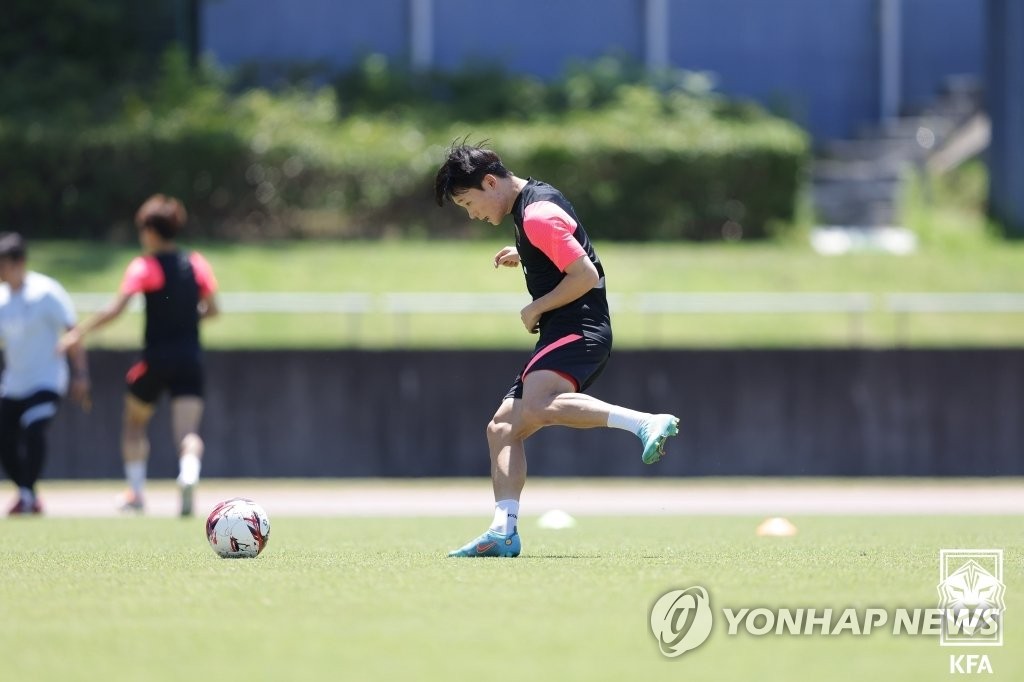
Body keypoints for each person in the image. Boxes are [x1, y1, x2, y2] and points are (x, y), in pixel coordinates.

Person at [434, 142, 680, 558]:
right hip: (564, 331)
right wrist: (528, 254)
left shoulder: (536, 214)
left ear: (489, 182)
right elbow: (565, 247)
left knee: (539, 403)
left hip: (578, 328)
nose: (471, 213)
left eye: (468, 202)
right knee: (502, 429)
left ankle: (643, 423)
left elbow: (585, 274)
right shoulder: (531, 206)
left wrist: (536, 305)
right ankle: (502, 531)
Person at [59, 194, 219, 517]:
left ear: (149, 231)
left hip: (155, 360)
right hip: (190, 360)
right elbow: (212, 310)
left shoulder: (145, 266)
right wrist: (187, 318)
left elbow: (115, 309)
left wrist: (79, 332)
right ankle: (188, 473)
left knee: (134, 424)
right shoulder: (197, 263)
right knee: (188, 434)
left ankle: (136, 493)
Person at [0, 232, 90, 515]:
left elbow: (72, 332)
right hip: (14, 383)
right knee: (4, 438)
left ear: (19, 262)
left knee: (33, 426)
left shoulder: (46, 292)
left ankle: (26, 496)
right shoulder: (1, 298)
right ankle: (28, 493)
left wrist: (81, 374)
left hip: (47, 380)